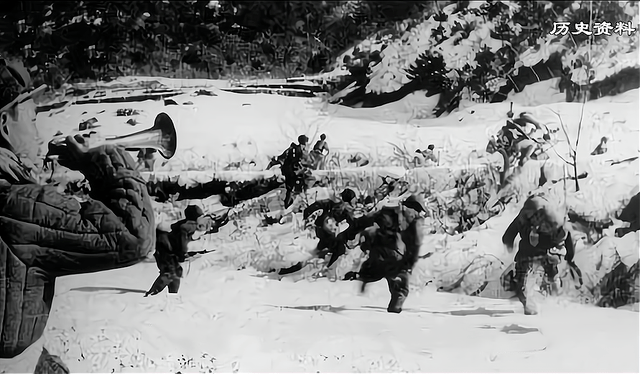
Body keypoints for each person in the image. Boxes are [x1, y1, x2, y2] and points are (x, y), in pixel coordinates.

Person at [0, 59, 154, 359]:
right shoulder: (12, 206)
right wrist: (102, 160)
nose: (39, 136)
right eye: (31, 121)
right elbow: (132, 237)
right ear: (5, 126)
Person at [501, 194, 582, 315]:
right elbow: (566, 235)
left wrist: (509, 246)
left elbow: (508, 236)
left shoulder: (529, 216)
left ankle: (540, 301)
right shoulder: (549, 216)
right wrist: (569, 257)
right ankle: (554, 300)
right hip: (543, 254)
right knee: (549, 278)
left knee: (527, 281)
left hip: (531, 255)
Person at [350, 194, 426, 313]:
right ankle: (393, 315)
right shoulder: (405, 218)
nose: (418, 213)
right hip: (391, 254)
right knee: (400, 285)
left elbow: (413, 247)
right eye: (418, 210)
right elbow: (415, 245)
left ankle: (364, 277)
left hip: (382, 253)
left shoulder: (396, 215)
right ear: (412, 207)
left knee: (386, 274)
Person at [277, 188, 359, 279]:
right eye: (352, 203)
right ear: (346, 202)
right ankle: (284, 270)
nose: (353, 206)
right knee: (333, 250)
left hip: (328, 238)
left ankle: (288, 270)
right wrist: (311, 218)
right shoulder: (329, 205)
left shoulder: (346, 214)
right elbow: (312, 209)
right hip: (320, 234)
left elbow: (353, 227)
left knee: (328, 251)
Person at [145, 205, 204, 296]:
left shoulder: (188, 225)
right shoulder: (189, 227)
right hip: (164, 248)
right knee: (169, 272)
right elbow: (183, 242)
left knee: (177, 272)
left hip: (167, 247)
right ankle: (152, 294)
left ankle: (173, 295)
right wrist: (183, 253)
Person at [279, 134, 313, 208]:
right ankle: (288, 205)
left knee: (291, 188)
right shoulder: (298, 150)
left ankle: (289, 203)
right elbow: (295, 162)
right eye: (306, 142)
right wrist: (300, 169)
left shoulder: (295, 148)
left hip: (288, 171)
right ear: (304, 142)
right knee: (292, 188)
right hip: (290, 172)